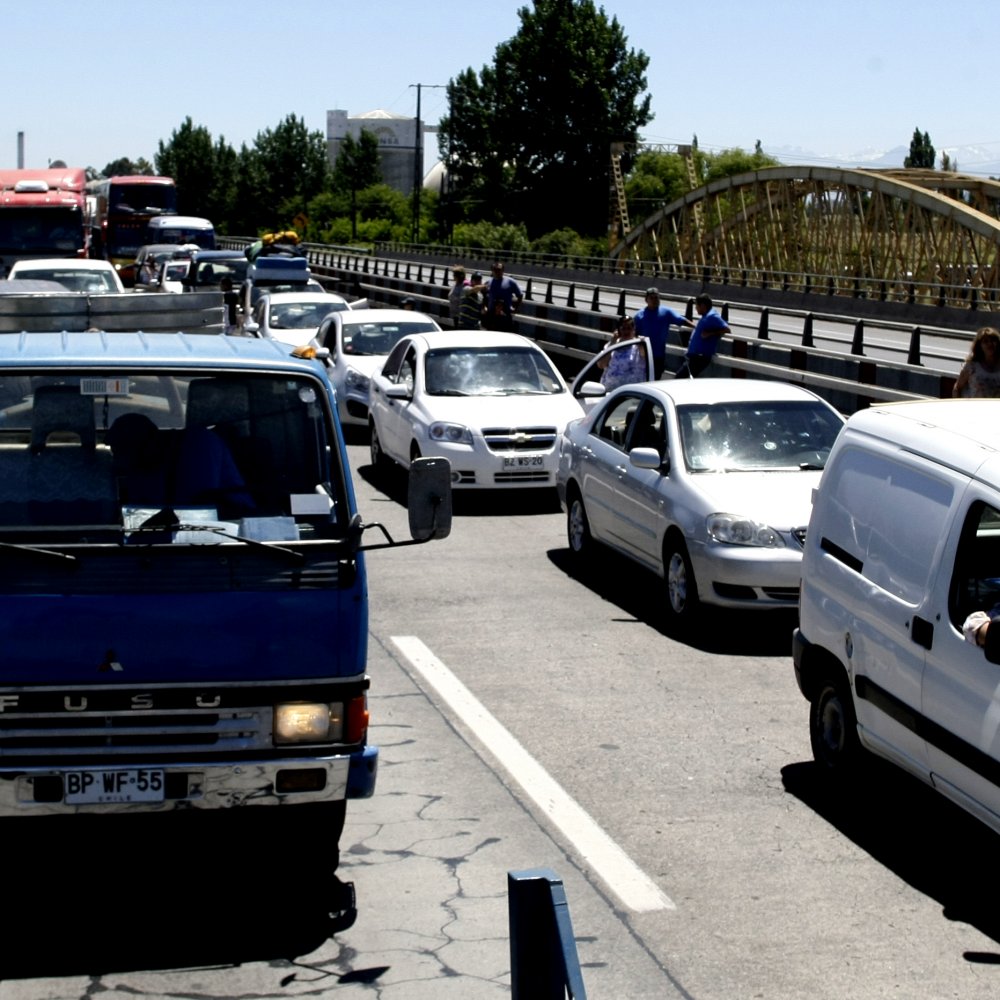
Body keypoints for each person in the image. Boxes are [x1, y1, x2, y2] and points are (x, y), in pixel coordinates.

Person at [633, 288, 693, 379]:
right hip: (643, 356)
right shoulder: (639, 316)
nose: (654, 300)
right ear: (646, 300)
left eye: (656, 298)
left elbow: (681, 320)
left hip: (659, 356)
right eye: (651, 298)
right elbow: (634, 334)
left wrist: (696, 327)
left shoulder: (666, 312)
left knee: (656, 379)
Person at [674, 294, 730, 379]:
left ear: (703, 306)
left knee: (679, 378)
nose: (695, 308)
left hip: (699, 357)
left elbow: (727, 329)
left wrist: (710, 333)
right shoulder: (706, 316)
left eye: (696, 305)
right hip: (694, 357)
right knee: (684, 379)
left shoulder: (712, 316)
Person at [598, 315, 648, 391]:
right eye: (623, 328)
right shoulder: (611, 345)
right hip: (610, 391)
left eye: (629, 328)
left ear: (634, 329)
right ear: (618, 330)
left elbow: (644, 355)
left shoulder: (639, 345)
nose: (626, 331)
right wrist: (613, 342)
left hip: (631, 393)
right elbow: (601, 365)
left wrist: (641, 342)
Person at [953, 326, 1000, 397]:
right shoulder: (972, 366)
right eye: (985, 341)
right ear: (979, 346)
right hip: (975, 407)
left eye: (993, 340)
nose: (990, 344)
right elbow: (957, 388)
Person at [485, 262, 523, 332]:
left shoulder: (511, 282)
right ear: (492, 271)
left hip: (505, 316)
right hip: (491, 315)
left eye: (499, 270)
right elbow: (484, 295)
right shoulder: (488, 283)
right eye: (494, 270)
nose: (497, 272)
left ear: (503, 270)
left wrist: (516, 308)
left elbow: (520, 295)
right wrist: (484, 307)